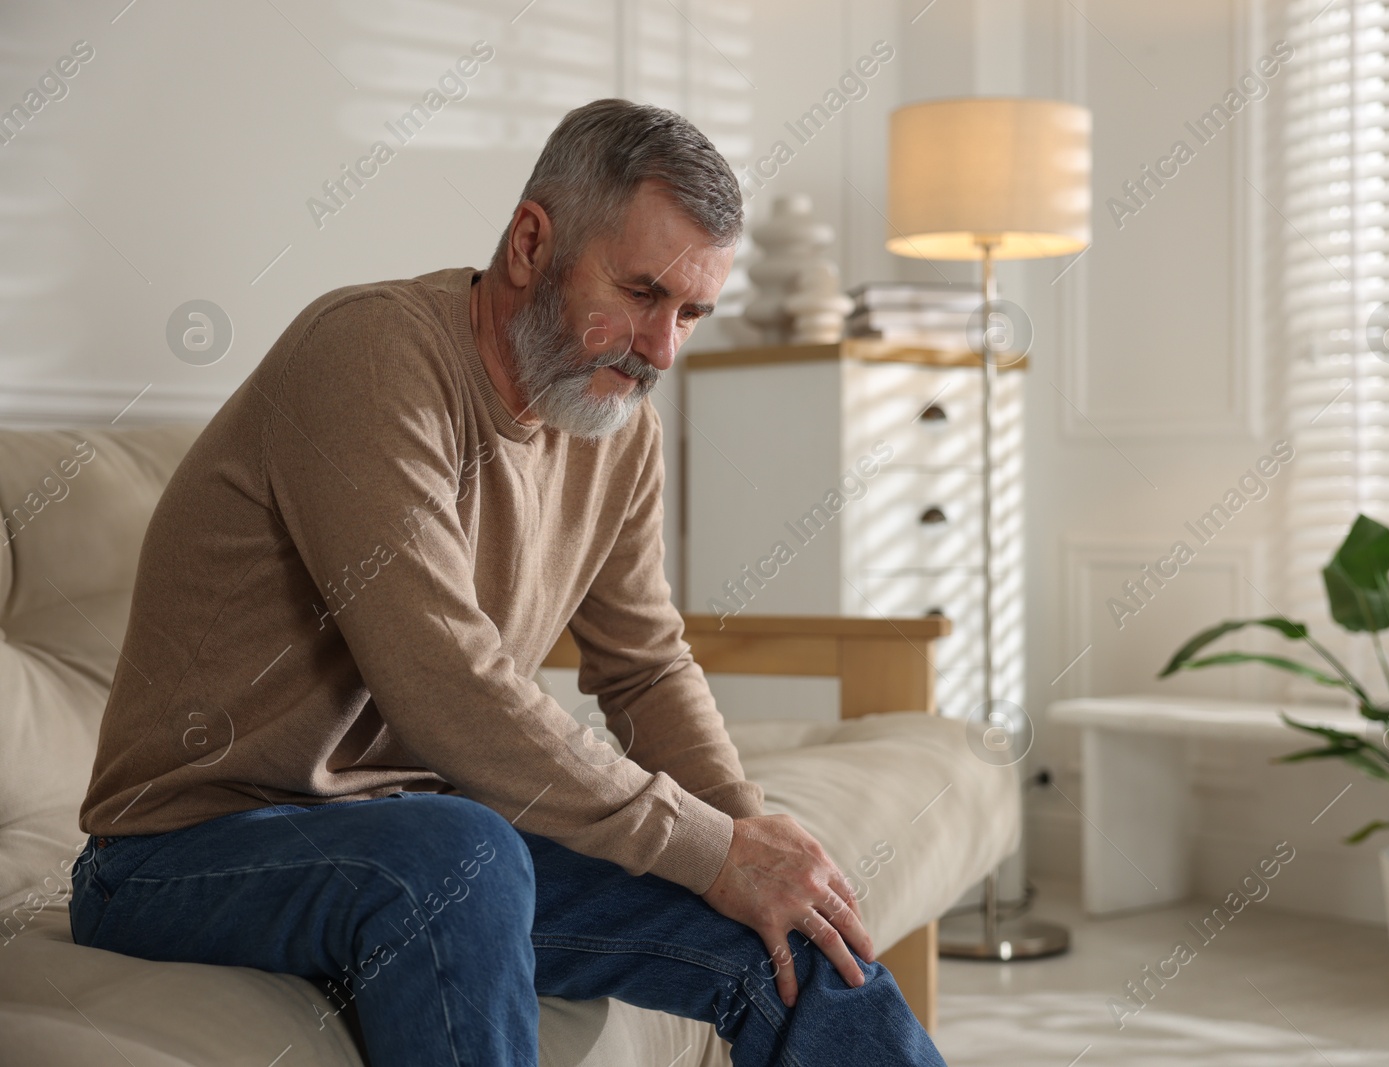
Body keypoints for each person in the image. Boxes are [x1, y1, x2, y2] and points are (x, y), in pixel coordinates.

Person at [69, 98, 945, 1066]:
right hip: (183, 850)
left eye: (690, 312)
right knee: (461, 850)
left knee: (790, 929)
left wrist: (745, 837)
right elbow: (444, 678)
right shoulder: (370, 354)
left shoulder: (618, 430)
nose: (661, 349)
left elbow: (646, 667)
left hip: (418, 830)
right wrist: (704, 846)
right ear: (532, 241)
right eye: (641, 291)